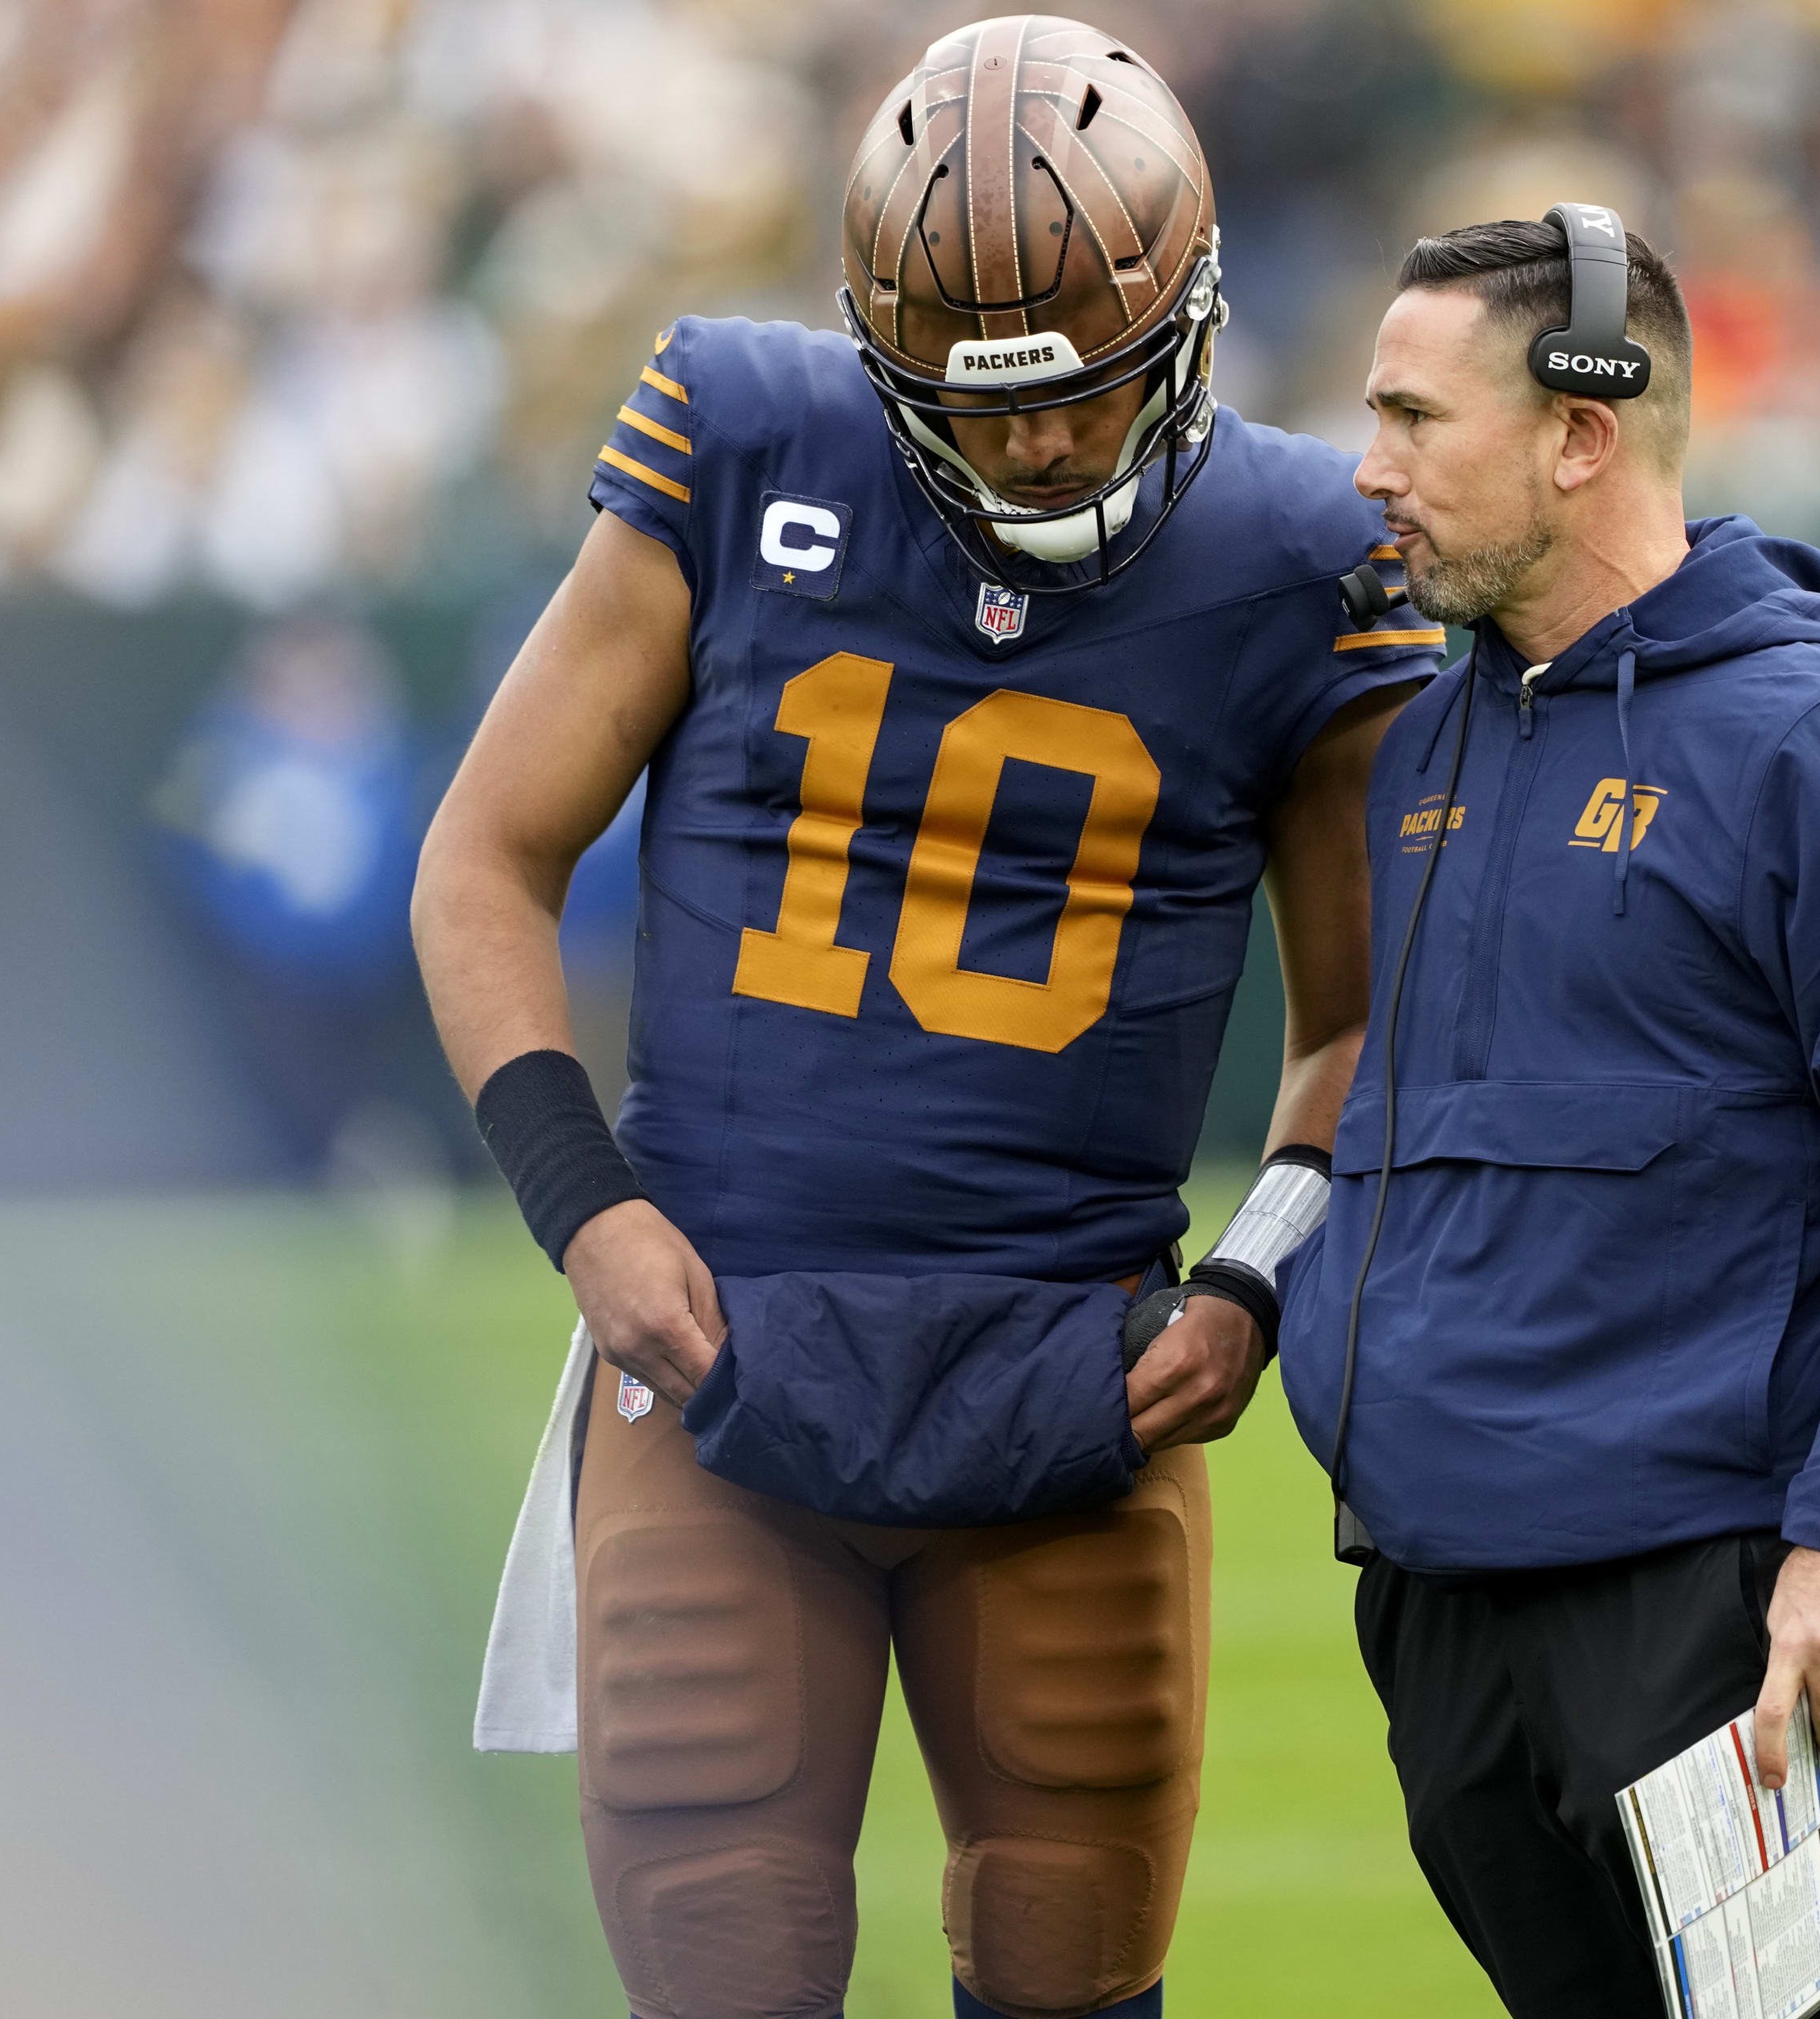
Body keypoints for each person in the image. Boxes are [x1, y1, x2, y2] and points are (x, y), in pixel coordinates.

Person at [409, 19, 1445, 2019]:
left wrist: (1254, 1282)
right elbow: (484, 859)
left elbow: (1367, 1025)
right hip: (718, 1338)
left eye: (1085, 390)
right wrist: (585, 1209)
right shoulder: (739, 436)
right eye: (983, 405)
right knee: (727, 1960)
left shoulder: (1308, 553)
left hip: (1073, 1361)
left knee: (1069, 1970)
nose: (1040, 447)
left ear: (1192, 321)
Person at [1273, 214, 1820, 2017]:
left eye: (1413, 418)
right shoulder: (1427, 743)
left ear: (1580, 432)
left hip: (1721, 1596)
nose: (1368, 469)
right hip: (1444, 1599)